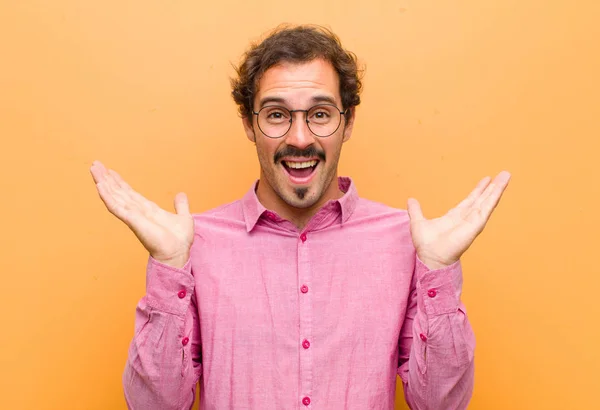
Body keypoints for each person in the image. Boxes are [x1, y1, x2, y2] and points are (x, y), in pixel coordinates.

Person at [90, 24, 510, 410]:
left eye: (320, 114)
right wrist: (167, 270)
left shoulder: (405, 242)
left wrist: (438, 271)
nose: (300, 137)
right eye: (276, 114)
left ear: (347, 124)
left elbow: (440, 404)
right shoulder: (195, 245)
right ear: (249, 125)